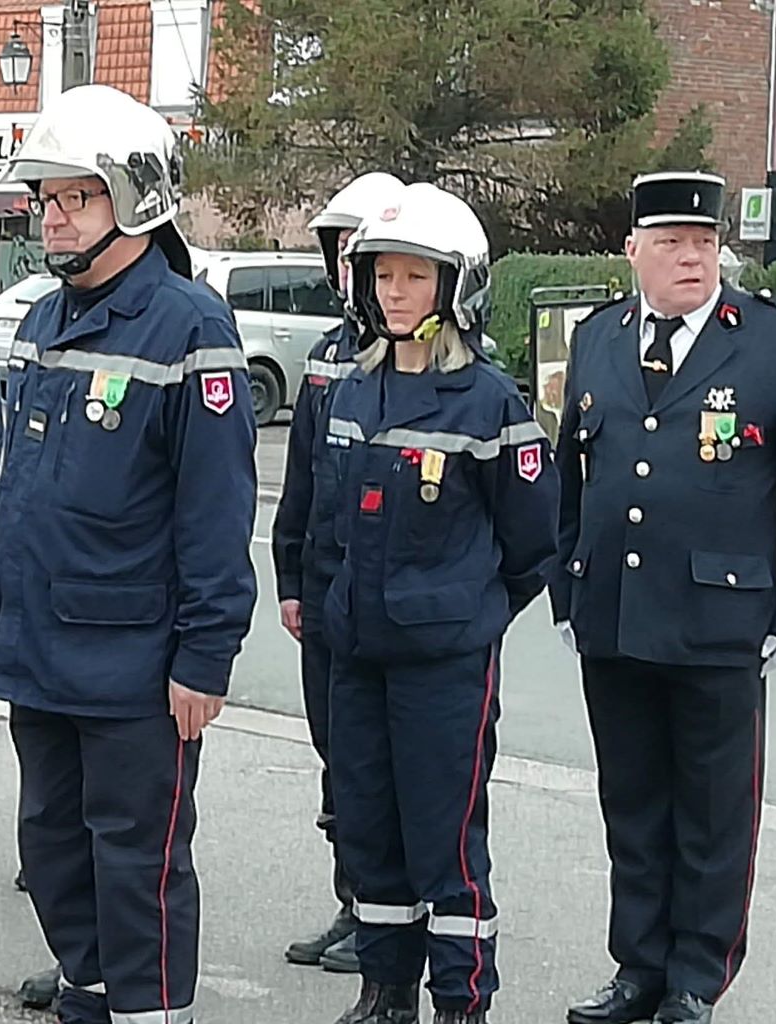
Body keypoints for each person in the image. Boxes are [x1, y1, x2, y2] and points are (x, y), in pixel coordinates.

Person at [0, 83, 258, 1024]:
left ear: (135, 201)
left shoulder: (190, 327)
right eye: (45, 200)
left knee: (138, 863)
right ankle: (89, 993)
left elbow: (216, 514)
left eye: (75, 198)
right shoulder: (45, 320)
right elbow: (28, 491)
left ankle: (148, 1009)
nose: (51, 219)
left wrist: (205, 656)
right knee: (50, 849)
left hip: (134, 661)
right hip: (43, 649)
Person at [552, 172, 776, 1024]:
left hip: (722, 619)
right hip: (612, 612)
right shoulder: (601, 338)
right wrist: (566, 585)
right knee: (632, 801)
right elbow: (574, 472)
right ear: (633, 250)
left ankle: (695, 978)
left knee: (714, 813)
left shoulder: (772, 344)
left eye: (705, 242)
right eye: (673, 242)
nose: (692, 257)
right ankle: (638, 966)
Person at [316, 182, 558, 1024]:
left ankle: (460, 1000)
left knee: (445, 842)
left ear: (454, 287)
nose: (393, 292)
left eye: (414, 277)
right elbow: (326, 528)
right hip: (359, 656)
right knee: (370, 833)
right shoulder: (350, 392)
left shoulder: (490, 402)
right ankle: (385, 991)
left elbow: (533, 542)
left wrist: (464, 612)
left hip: (444, 667)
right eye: (382, 275)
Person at [272, 170, 407, 975]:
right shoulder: (328, 355)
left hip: (388, 597)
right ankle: (353, 898)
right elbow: (301, 483)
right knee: (338, 754)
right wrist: (290, 579)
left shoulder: (429, 353)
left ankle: (390, 909)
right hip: (324, 588)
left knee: (381, 761)